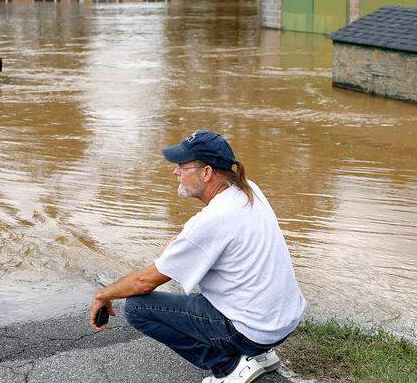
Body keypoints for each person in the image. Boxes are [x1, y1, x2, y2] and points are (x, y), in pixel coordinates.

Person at [89, 130, 306, 383]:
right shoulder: (249, 191)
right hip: (282, 322)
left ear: (206, 172)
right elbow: (210, 233)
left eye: (183, 165)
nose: (175, 172)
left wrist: (103, 294)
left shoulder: (213, 221)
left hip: (254, 330)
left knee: (138, 307)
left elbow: (143, 282)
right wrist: (181, 243)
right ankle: (260, 354)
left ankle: (228, 365)